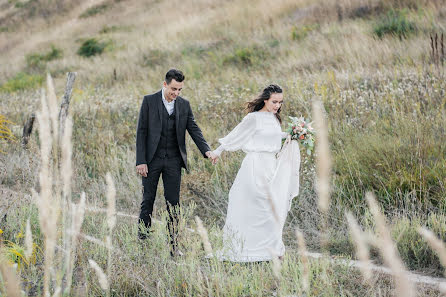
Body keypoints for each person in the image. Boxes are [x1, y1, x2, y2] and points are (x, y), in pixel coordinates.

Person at [212, 84, 300, 262]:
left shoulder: (274, 118)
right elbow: (236, 135)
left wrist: (292, 134)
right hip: (255, 165)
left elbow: (270, 137)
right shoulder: (253, 118)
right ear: (265, 99)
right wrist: (218, 151)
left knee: (272, 207)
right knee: (259, 205)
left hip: (271, 165)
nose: (277, 106)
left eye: (280, 102)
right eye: (274, 102)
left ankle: (270, 249)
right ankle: (250, 249)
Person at [135, 69, 218, 255]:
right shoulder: (149, 101)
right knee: (147, 200)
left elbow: (194, 129)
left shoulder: (184, 105)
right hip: (151, 160)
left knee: (174, 204)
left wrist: (207, 150)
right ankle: (143, 242)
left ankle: (173, 246)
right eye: (173, 89)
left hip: (173, 160)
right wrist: (141, 161)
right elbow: (141, 131)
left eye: (180, 89)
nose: (176, 93)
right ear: (165, 84)